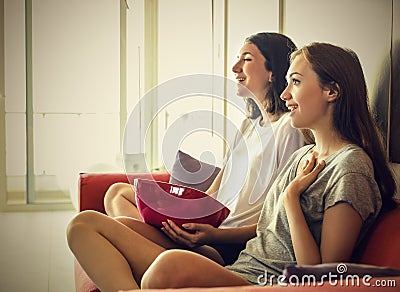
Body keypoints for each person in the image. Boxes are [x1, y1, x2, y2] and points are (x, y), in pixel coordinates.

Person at [134, 42, 397, 289]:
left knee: (168, 267)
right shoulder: (303, 156)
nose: (284, 95)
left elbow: (322, 278)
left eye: (295, 82)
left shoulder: (350, 168)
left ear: (332, 91)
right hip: (241, 269)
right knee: (93, 225)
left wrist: (291, 198)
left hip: (268, 284)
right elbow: (266, 232)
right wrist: (212, 235)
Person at [66, 32, 305, 292]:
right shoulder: (249, 125)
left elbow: (276, 212)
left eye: (246, 59)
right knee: (117, 194)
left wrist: (214, 235)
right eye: (237, 59)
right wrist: (181, 211)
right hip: (208, 229)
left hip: (227, 245)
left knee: (86, 225)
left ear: (273, 71)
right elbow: (216, 188)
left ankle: (146, 263)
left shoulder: (288, 129)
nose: (235, 67)